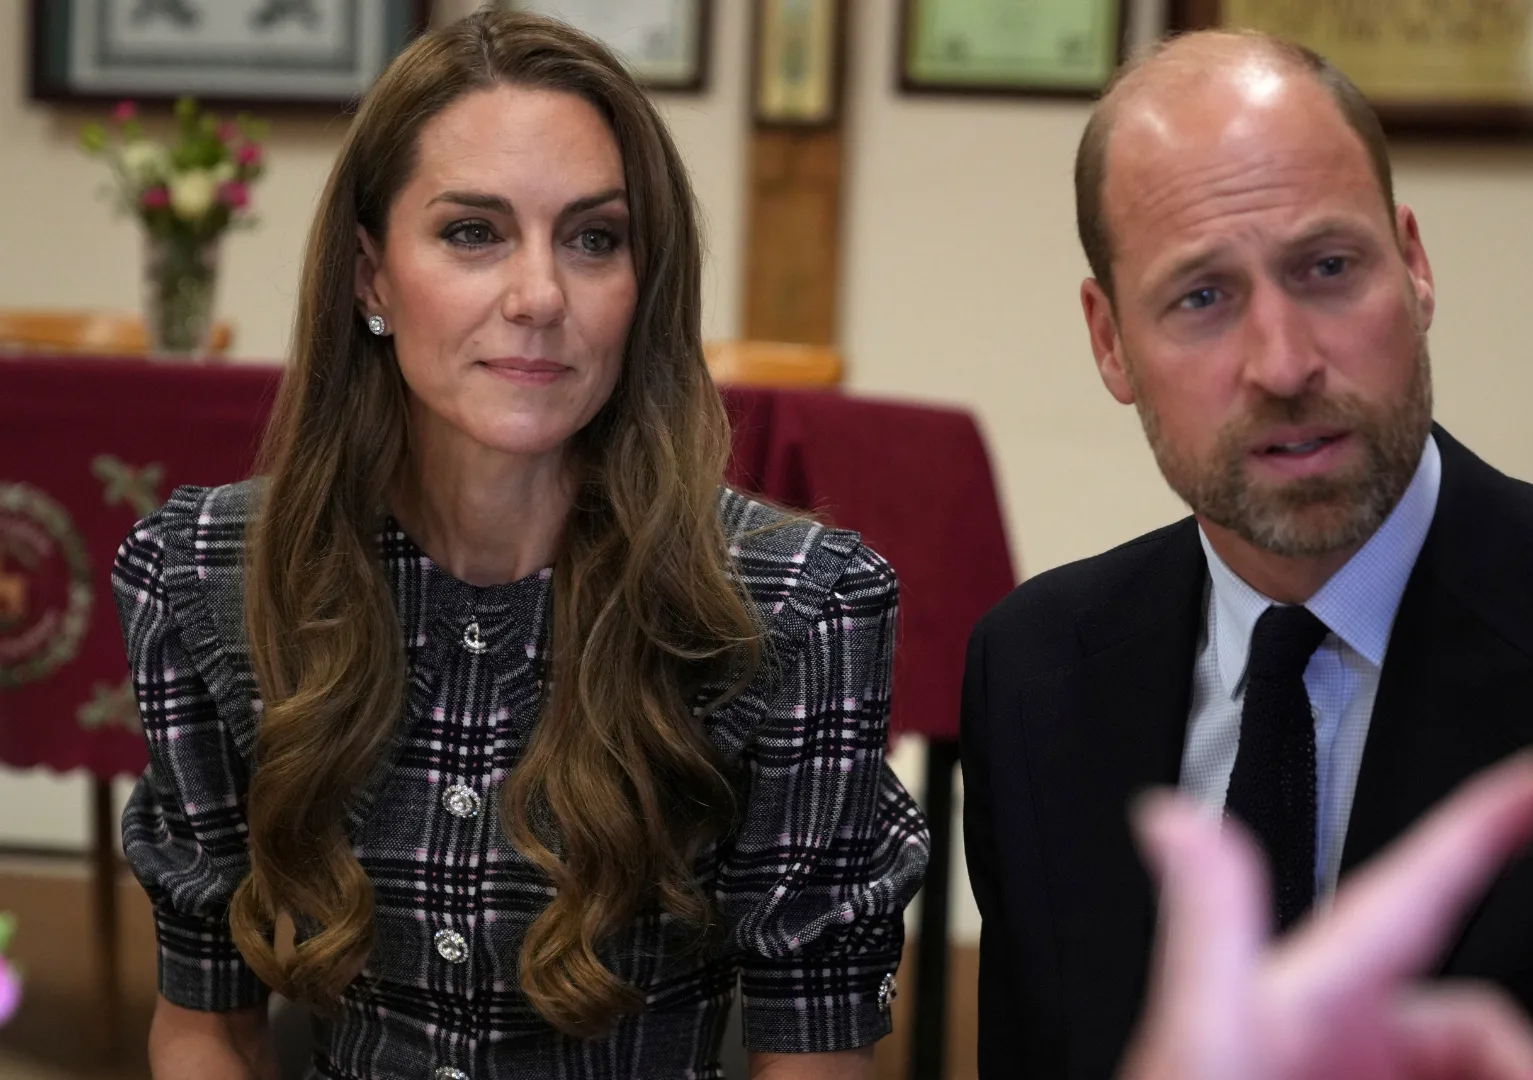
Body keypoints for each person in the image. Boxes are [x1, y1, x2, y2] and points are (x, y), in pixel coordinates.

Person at [960, 29, 1533, 1080]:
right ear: (1110, 343)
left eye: (1328, 269)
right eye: (1202, 298)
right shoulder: (1032, 672)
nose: (1284, 363)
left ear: (1414, 267)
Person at [114, 12, 926, 1079]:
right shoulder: (209, 576)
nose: (540, 296)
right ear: (370, 277)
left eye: (594, 239)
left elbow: (812, 1056)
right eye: (472, 233)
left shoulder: (791, 608)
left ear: (644, 283)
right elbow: (205, 1024)